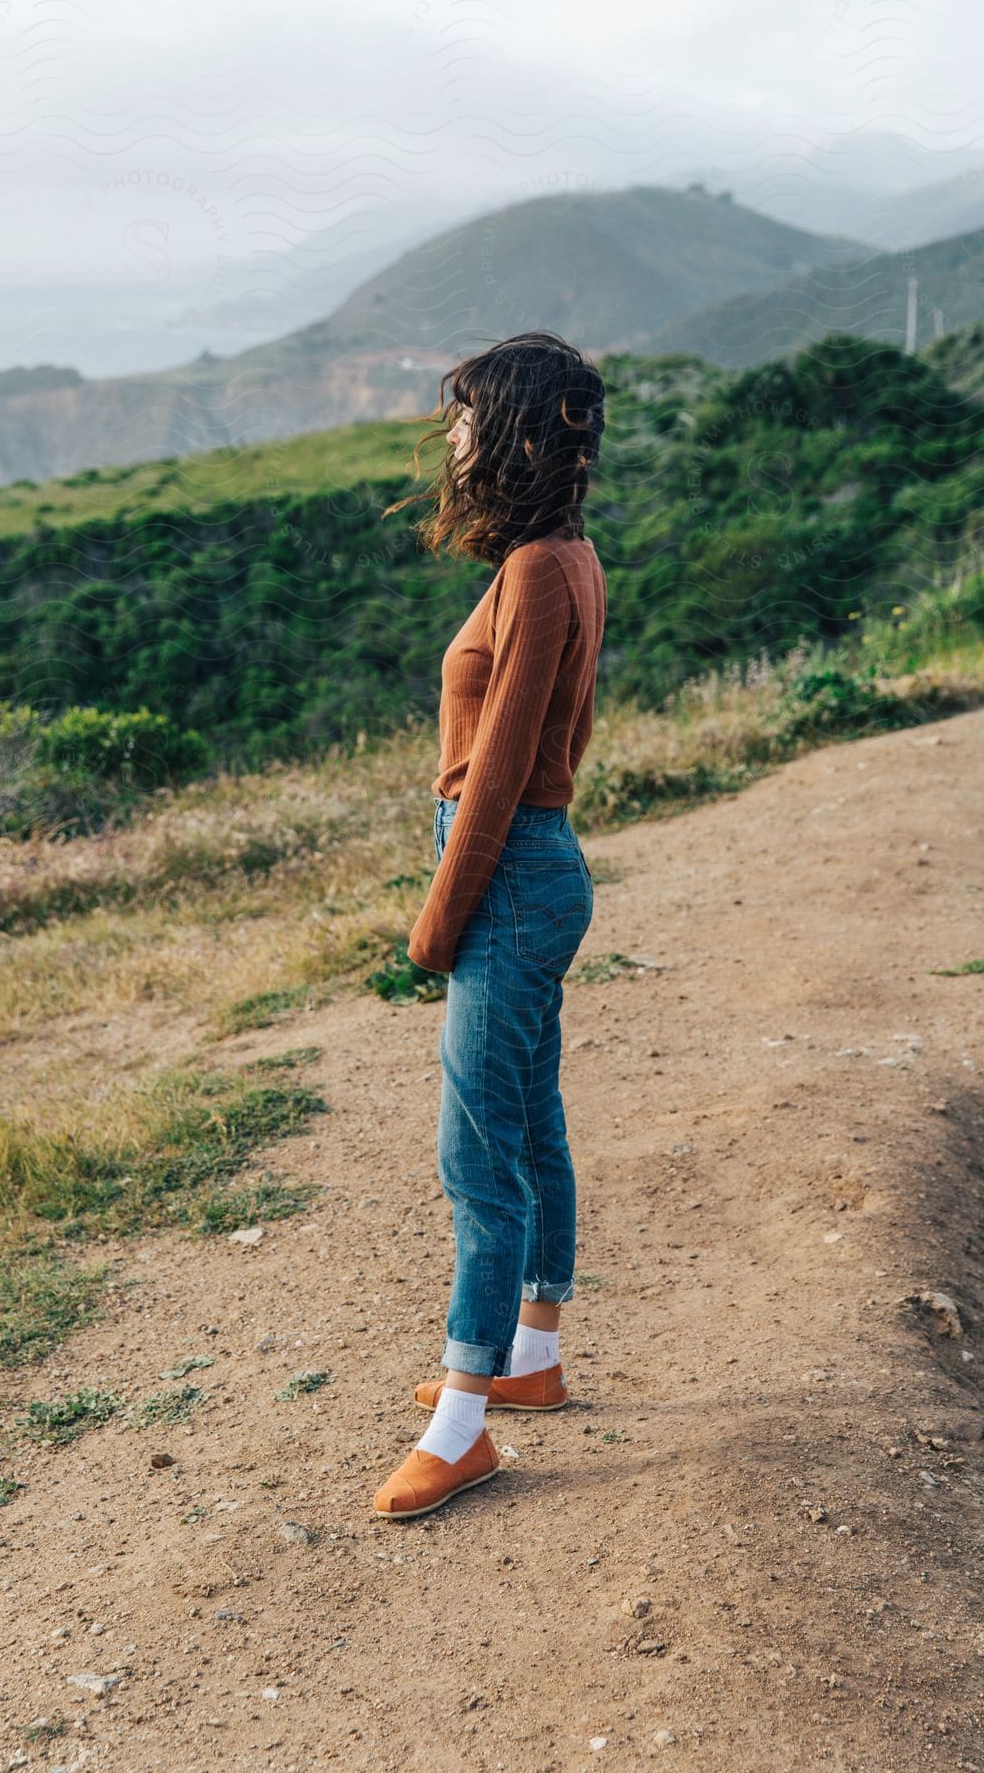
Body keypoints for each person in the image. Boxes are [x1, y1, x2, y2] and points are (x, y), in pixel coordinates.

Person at [372, 330, 608, 1519]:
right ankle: (531, 1356)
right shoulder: (564, 555)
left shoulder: (533, 574)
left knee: (479, 1160)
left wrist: (434, 925)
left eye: (466, 419)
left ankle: (462, 1422)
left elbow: (504, 769)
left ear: (514, 432)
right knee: (533, 1122)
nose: (452, 440)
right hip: (537, 868)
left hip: (508, 870)